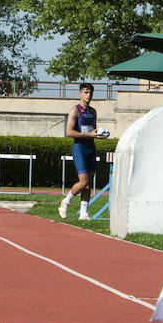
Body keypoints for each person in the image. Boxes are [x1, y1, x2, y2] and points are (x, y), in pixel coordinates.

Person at [58, 82, 108, 221]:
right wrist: (89, 135)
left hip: (90, 148)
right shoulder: (75, 110)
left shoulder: (93, 111)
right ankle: (66, 201)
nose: (88, 95)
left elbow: (94, 130)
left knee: (89, 183)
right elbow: (69, 132)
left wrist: (101, 134)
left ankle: (84, 213)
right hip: (79, 148)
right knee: (83, 182)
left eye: (90, 92)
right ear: (80, 94)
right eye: (85, 92)